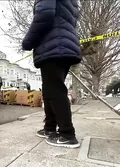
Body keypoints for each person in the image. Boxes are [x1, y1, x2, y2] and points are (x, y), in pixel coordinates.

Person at [22, 0, 81, 148]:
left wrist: (28, 41)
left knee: (55, 91)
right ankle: (50, 128)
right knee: (49, 91)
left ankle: (68, 134)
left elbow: (45, 14)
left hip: (54, 45)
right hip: (61, 44)